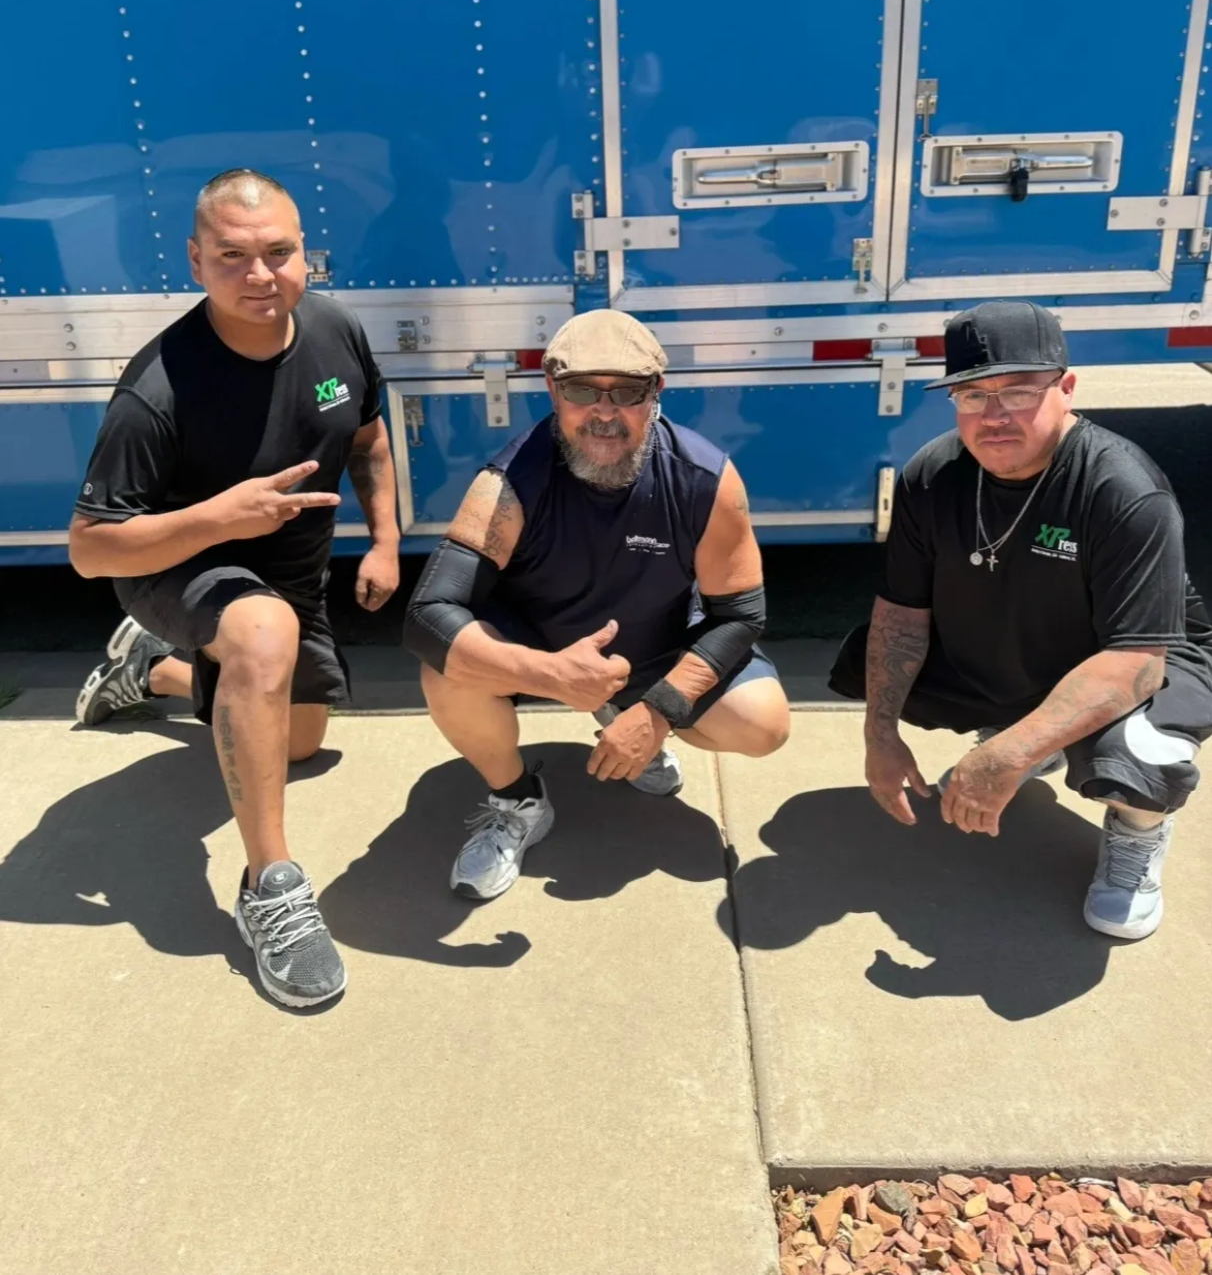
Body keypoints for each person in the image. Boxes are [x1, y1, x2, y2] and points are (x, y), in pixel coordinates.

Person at [68, 169, 400, 1008]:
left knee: (297, 745)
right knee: (260, 641)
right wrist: (221, 517)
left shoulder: (335, 331)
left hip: (292, 575)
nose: (261, 276)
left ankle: (151, 672)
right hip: (175, 564)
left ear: (305, 255)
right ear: (195, 260)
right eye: (233, 257)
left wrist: (388, 541)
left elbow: (366, 438)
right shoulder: (158, 389)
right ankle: (272, 887)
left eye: (279, 253)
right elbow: (90, 549)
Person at [830, 299, 1212, 941]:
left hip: (1146, 660)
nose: (994, 415)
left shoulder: (1121, 488)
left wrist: (1008, 753)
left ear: (1066, 388)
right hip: (1025, 642)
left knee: (1141, 759)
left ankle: (1136, 835)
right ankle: (1033, 731)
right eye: (973, 395)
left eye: (1018, 391)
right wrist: (880, 734)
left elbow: (1137, 663)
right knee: (872, 659)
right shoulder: (933, 474)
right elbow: (901, 613)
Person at [403, 308, 791, 901]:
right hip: (538, 646)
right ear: (553, 390)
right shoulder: (509, 483)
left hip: (651, 649)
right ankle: (517, 800)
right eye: (584, 390)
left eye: (628, 392)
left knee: (764, 725)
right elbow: (428, 615)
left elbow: (740, 615)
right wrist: (550, 673)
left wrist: (658, 711)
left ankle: (624, 715)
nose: (604, 412)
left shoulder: (706, 479)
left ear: (656, 394)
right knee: (446, 669)